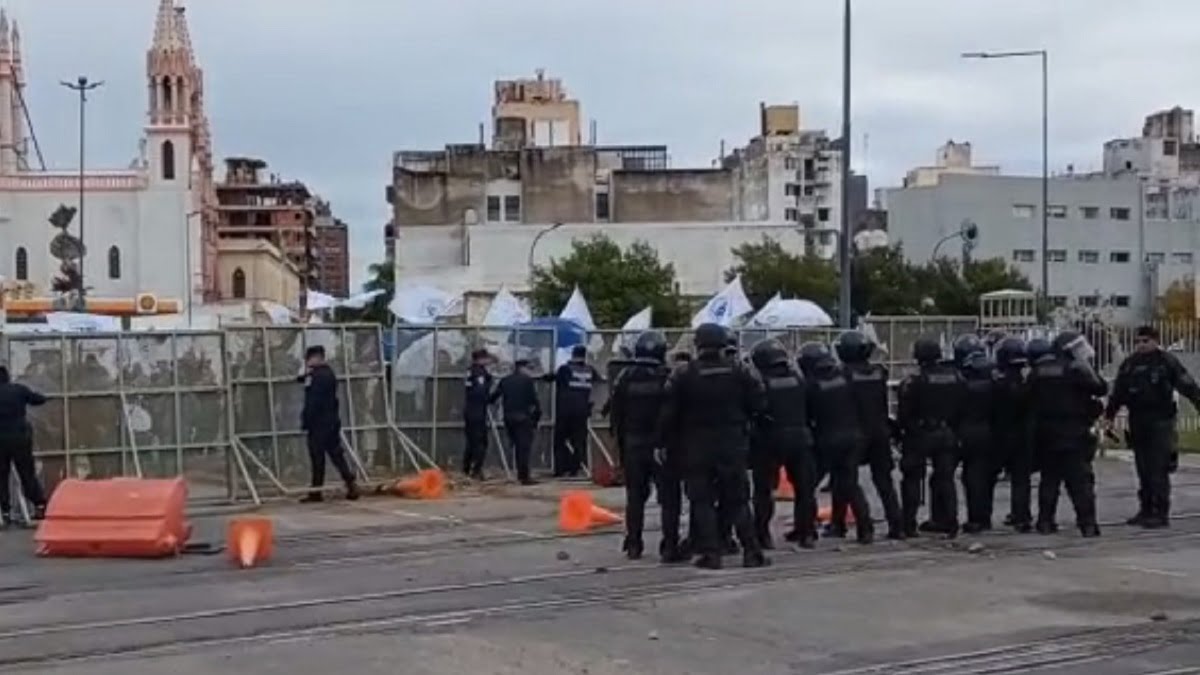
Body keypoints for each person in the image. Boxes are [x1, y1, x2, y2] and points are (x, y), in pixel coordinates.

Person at [658, 323, 768, 570]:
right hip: (732, 443)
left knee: (702, 500)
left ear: (697, 345)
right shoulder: (741, 372)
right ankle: (752, 551)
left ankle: (711, 554)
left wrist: (664, 443)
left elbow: (668, 415)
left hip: (696, 445)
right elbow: (760, 405)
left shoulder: (683, 375)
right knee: (738, 500)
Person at [1104, 324, 1200, 528]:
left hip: (1161, 421)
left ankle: (1160, 512)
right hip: (1138, 421)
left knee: (1158, 468)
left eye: (1145, 341)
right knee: (1142, 468)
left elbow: (1187, 385)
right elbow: (1119, 392)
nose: (1141, 345)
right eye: (1138, 341)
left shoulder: (1166, 362)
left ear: (1156, 341)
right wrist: (1109, 416)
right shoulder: (1130, 364)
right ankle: (1145, 508)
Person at [1027, 330, 1106, 537]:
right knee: (1080, 482)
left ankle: (1045, 522)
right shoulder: (1076, 369)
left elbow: (1027, 398)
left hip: (1046, 433)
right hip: (1074, 432)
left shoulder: (1039, 370)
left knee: (1049, 480)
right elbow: (1100, 389)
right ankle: (1088, 524)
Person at [610, 331, 676, 561]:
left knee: (635, 497)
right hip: (662, 446)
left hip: (633, 444)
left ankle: (634, 544)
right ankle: (669, 546)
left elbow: (616, 416)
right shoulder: (667, 376)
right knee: (668, 498)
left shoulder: (625, 378)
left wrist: (619, 449)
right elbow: (675, 414)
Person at [801, 341, 874, 544]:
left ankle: (806, 531)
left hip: (826, 439)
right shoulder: (845, 377)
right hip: (852, 437)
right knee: (849, 485)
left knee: (807, 486)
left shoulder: (810, 385)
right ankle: (864, 528)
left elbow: (807, 415)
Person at [749, 339, 817, 549]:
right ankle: (806, 534)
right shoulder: (798, 379)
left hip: (770, 442)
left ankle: (762, 535)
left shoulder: (760, 382)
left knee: (763, 491)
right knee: (805, 490)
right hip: (800, 439)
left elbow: (754, 411)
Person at [837, 330, 903, 540]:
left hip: (856, 432)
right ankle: (897, 525)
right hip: (880, 431)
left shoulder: (843, 374)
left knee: (850, 480)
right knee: (884, 481)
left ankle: (865, 527)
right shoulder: (879, 372)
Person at [896, 337, 964, 538]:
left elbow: (904, 414)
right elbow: (963, 406)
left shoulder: (914, 381)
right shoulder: (955, 377)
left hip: (920, 434)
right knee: (946, 479)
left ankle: (908, 524)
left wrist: (904, 433)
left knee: (912, 479)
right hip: (947, 433)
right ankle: (951, 522)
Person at [298, 346, 359, 503]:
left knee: (317, 457)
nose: (307, 362)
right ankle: (350, 482)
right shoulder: (327, 373)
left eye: (309, 359)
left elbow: (313, 402)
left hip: (319, 423)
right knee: (336, 454)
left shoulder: (318, 377)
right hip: (331, 421)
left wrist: (306, 420)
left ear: (316, 358)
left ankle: (316, 491)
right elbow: (302, 379)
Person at [953, 333, 997, 534]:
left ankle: (973, 519)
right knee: (985, 477)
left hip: (966, 433)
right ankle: (984, 518)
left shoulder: (961, 384)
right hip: (990, 432)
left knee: (971, 478)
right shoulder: (994, 382)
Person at [992, 336, 1034, 533]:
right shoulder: (1028, 383)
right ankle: (1021, 516)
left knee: (986, 477)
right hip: (1024, 435)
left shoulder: (997, 383)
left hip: (1000, 435)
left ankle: (981, 517)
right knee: (1021, 478)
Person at [0, 365, 48, 527]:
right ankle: (39, 505)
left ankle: (5, 512)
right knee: (27, 473)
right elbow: (39, 399)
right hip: (21, 437)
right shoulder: (18, 390)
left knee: (2, 476)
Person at [547, 345, 603, 477]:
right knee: (579, 441)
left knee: (560, 440)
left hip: (564, 411)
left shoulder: (565, 369)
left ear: (572, 355)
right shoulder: (590, 370)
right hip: (582, 411)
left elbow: (550, 377)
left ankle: (560, 470)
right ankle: (574, 469)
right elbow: (599, 380)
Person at [491, 359, 542, 486]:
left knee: (515, 444)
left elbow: (494, 397)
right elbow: (534, 402)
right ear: (522, 368)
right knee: (523, 447)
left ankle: (515, 470)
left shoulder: (505, 380)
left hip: (509, 417)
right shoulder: (527, 381)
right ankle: (524, 476)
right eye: (528, 368)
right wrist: (535, 419)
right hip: (523, 418)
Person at [461, 348, 494, 480]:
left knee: (471, 441)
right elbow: (480, 392)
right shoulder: (479, 373)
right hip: (477, 410)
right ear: (481, 359)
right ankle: (476, 470)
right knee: (481, 442)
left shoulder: (470, 370)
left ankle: (466, 468)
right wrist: (489, 393)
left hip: (470, 409)